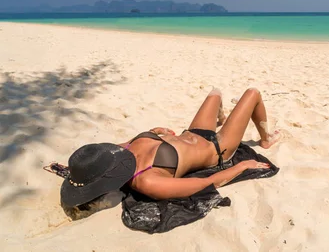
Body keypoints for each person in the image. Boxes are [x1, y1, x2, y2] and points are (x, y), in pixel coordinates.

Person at [61, 88, 280, 207]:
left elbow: (96, 157)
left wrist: (154, 131)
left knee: (215, 93)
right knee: (253, 93)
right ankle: (266, 138)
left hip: (194, 132)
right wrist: (241, 167)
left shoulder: (119, 152)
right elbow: (204, 183)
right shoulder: (146, 180)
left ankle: (221, 117)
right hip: (218, 148)